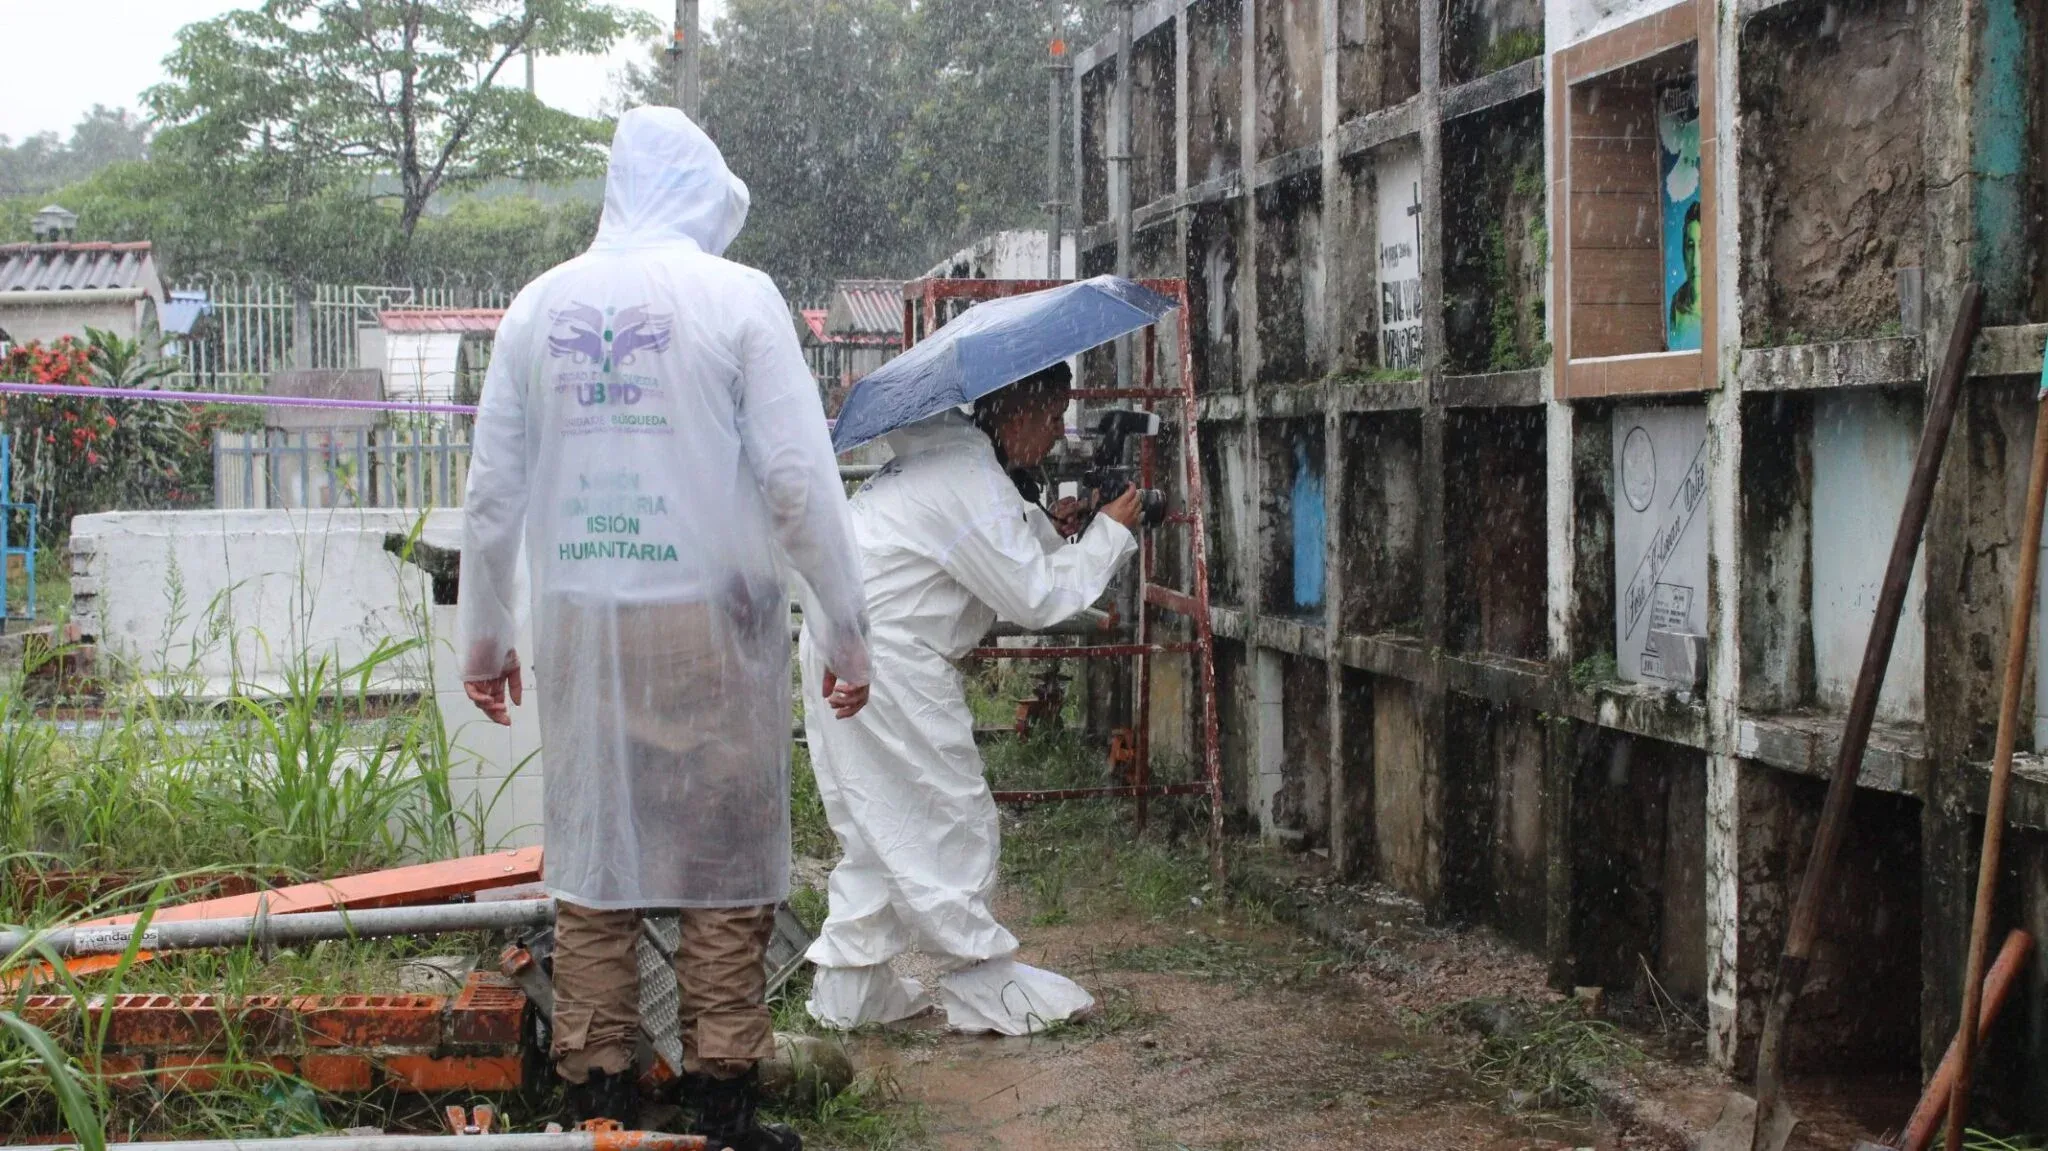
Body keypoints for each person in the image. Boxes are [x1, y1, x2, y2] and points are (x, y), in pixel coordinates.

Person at [458, 106, 871, 1151]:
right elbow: (794, 482)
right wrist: (845, 628)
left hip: (581, 617)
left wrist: (486, 637)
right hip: (713, 615)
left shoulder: (534, 307)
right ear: (696, 194)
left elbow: (493, 495)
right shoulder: (737, 298)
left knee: (601, 846)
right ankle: (722, 1099)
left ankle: (599, 1098)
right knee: (720, 849)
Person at [798, 363, 1142, 1035]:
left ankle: (850, 989)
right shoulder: (972, 478)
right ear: (1016, 409)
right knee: (948, 811)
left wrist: (1053, 526)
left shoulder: (944, 457)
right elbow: (1035, 596)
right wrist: (1110, 533)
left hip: (840, 635)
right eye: (1050, 419)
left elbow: (995, 543)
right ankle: (984, 980)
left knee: (877, 824)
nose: (1053, 437)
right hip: (889, 657)